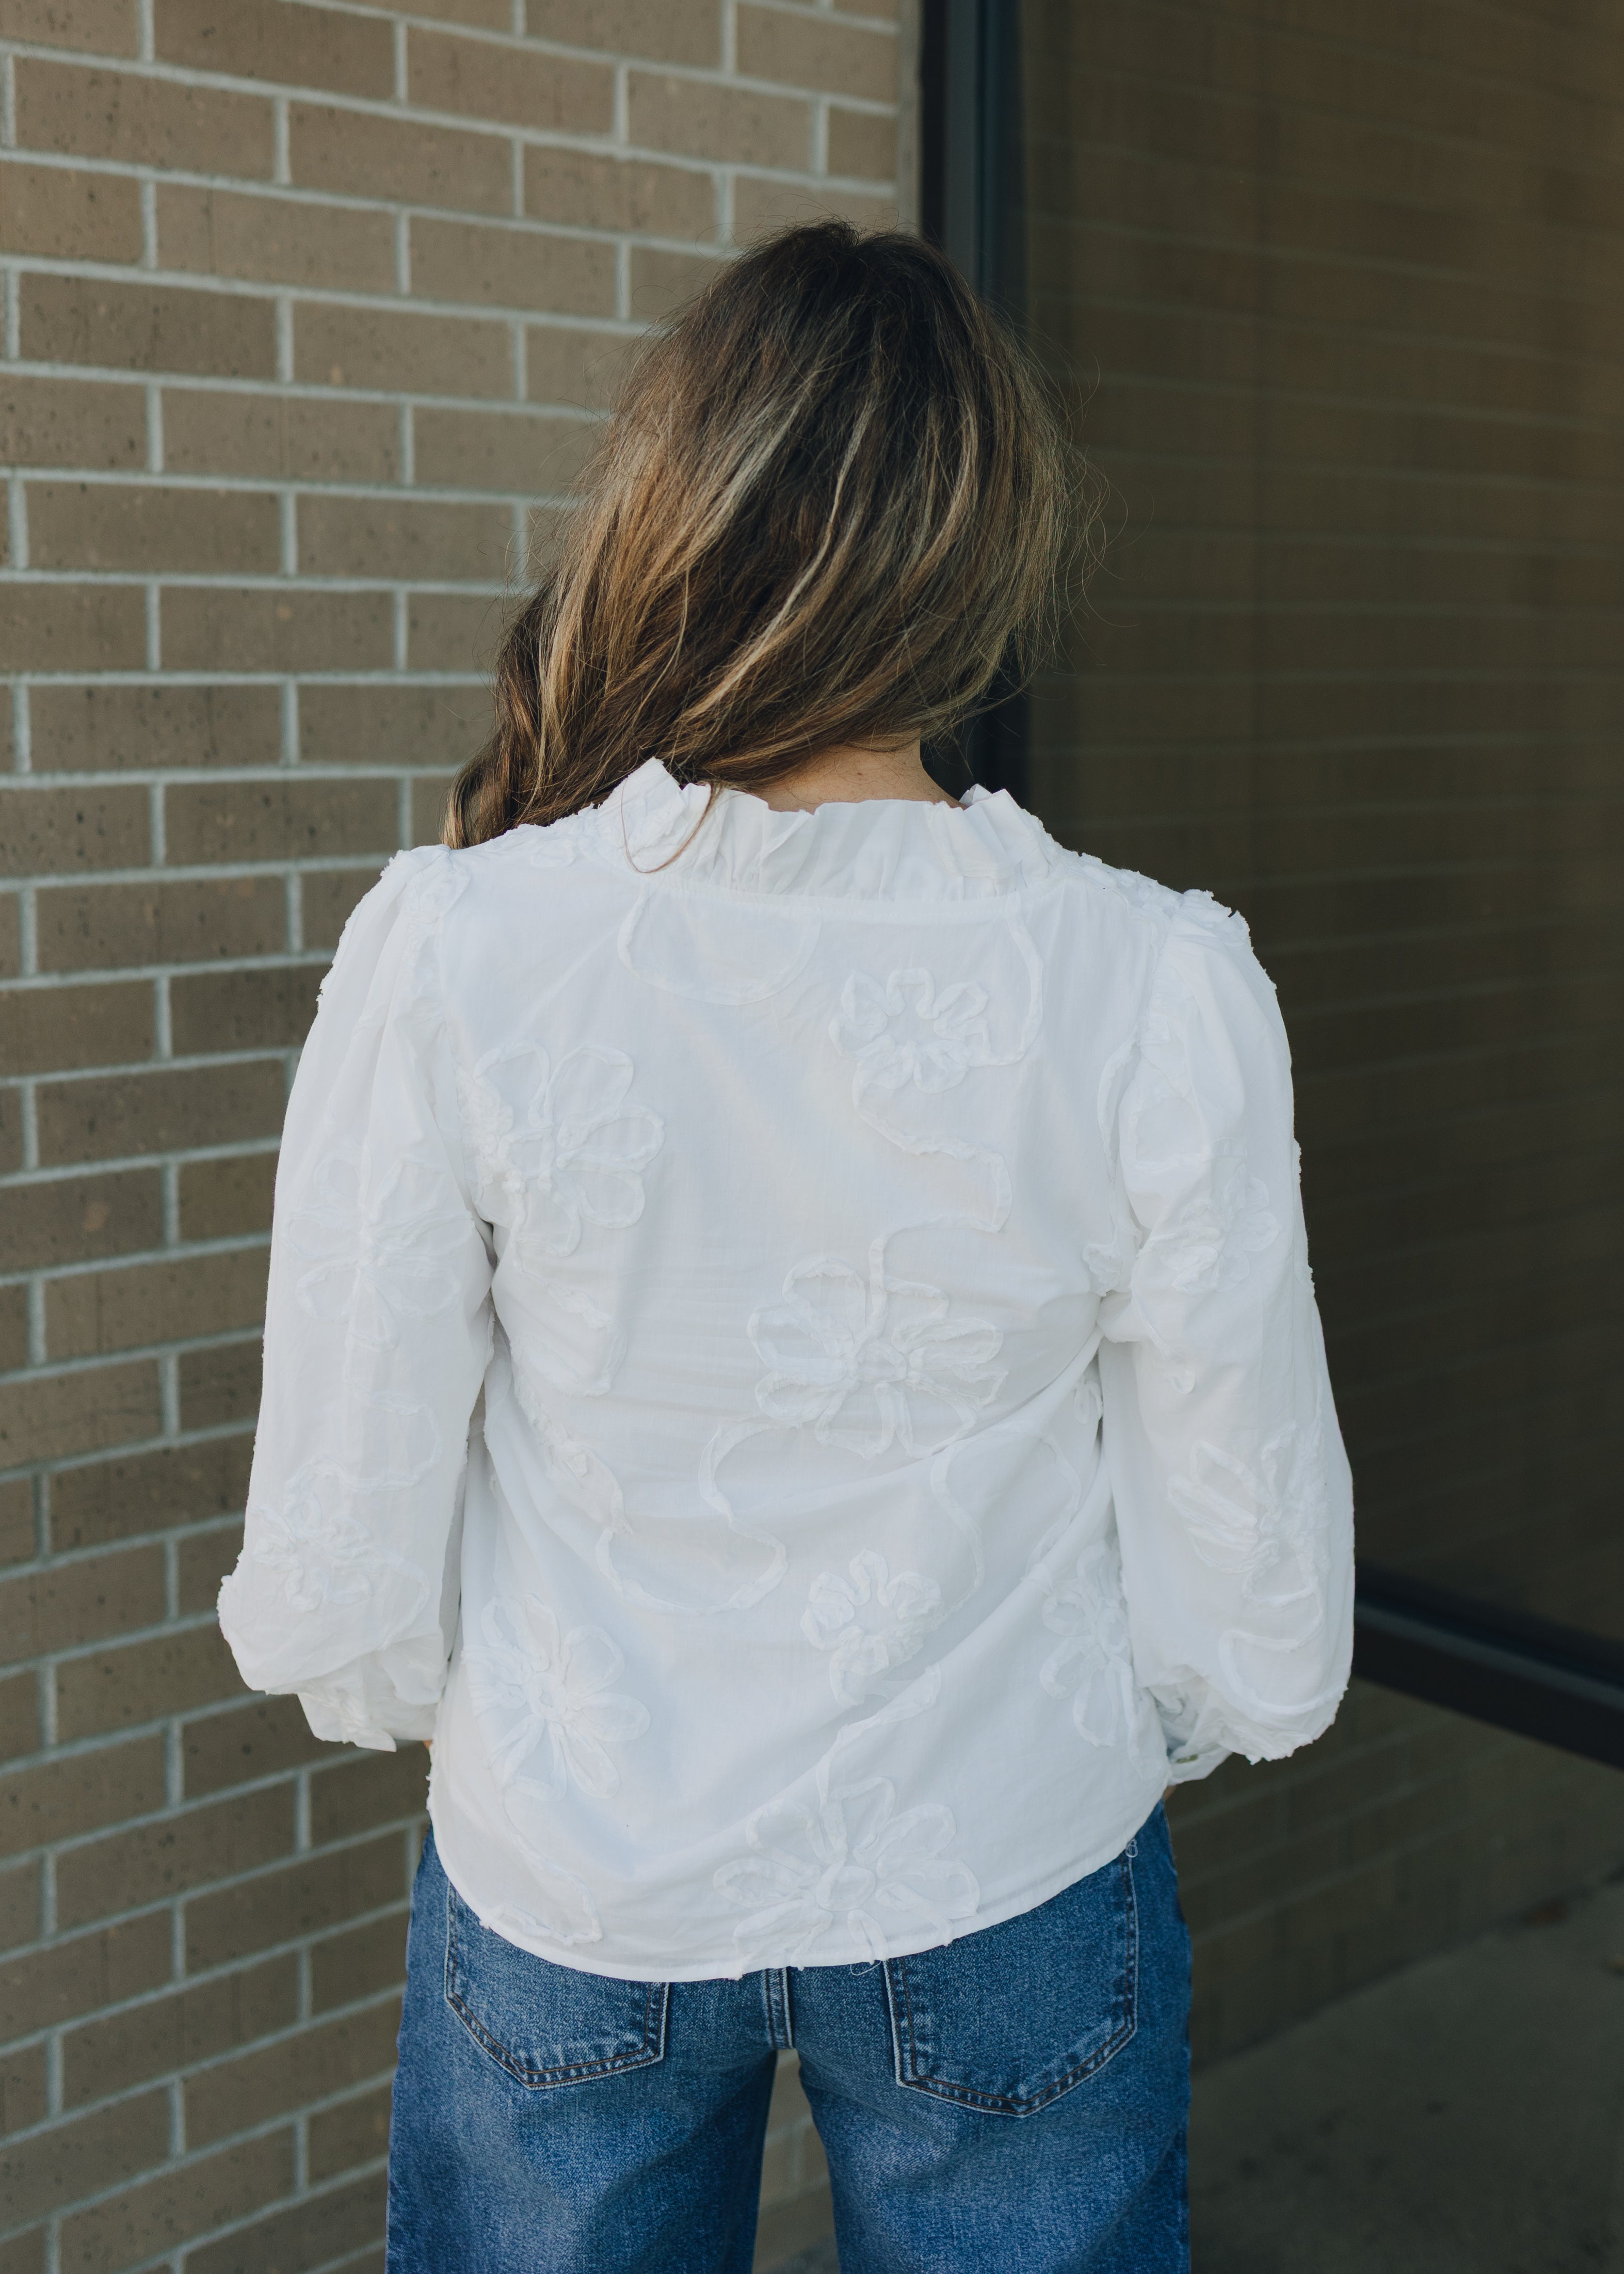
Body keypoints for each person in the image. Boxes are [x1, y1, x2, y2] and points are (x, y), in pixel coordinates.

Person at [218, 222, 1353, 2274]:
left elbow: (346, 1534)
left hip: (580, 1872)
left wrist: (460, 1706)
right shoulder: (1149, 982)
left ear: (681, 511)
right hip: (1008, 1857)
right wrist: (1166, 1710)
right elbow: (1240, 1554)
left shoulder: (462, 948)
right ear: (984, 558)